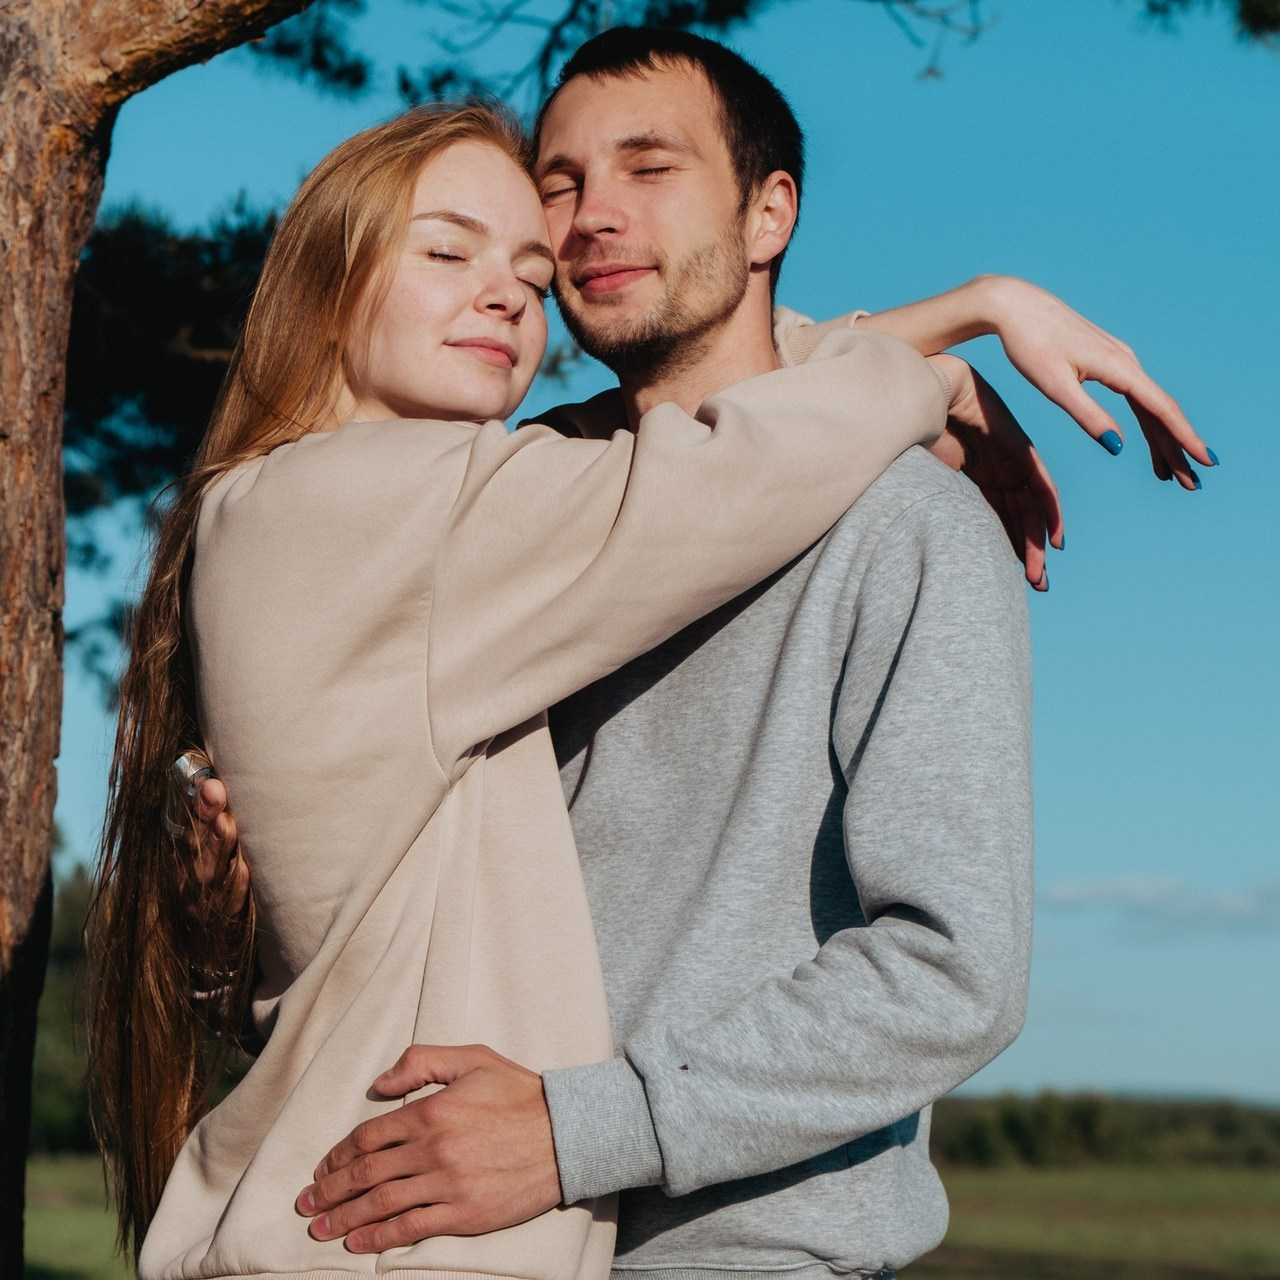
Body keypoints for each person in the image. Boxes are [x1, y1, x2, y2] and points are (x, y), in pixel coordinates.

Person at [239, 27, 1215, 1280]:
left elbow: (949, 969)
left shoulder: (900, 526)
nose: (592, 215)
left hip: (738, 1252)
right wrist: (944, 338)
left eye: (649, 168)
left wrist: (582, 1127)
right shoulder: (504, 506)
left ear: (769, 215)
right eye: (560, 183)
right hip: (443, 1240)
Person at [85, 99, 972, 1280]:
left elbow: (692, 416)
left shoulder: (297, 504)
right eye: (446, 252)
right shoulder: (380, 503)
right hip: (400, 1243)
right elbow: (728, 465)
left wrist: (925, 332)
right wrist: (944, 352)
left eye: (530, 274)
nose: (504, 295)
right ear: (327, 279)